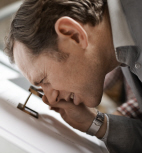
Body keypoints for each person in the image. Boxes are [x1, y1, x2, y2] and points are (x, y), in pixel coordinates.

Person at [4, 0, 142, 152]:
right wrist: (96, 124)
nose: (50, 99)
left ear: (73, 34)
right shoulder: (123, 47)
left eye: (44, 80)